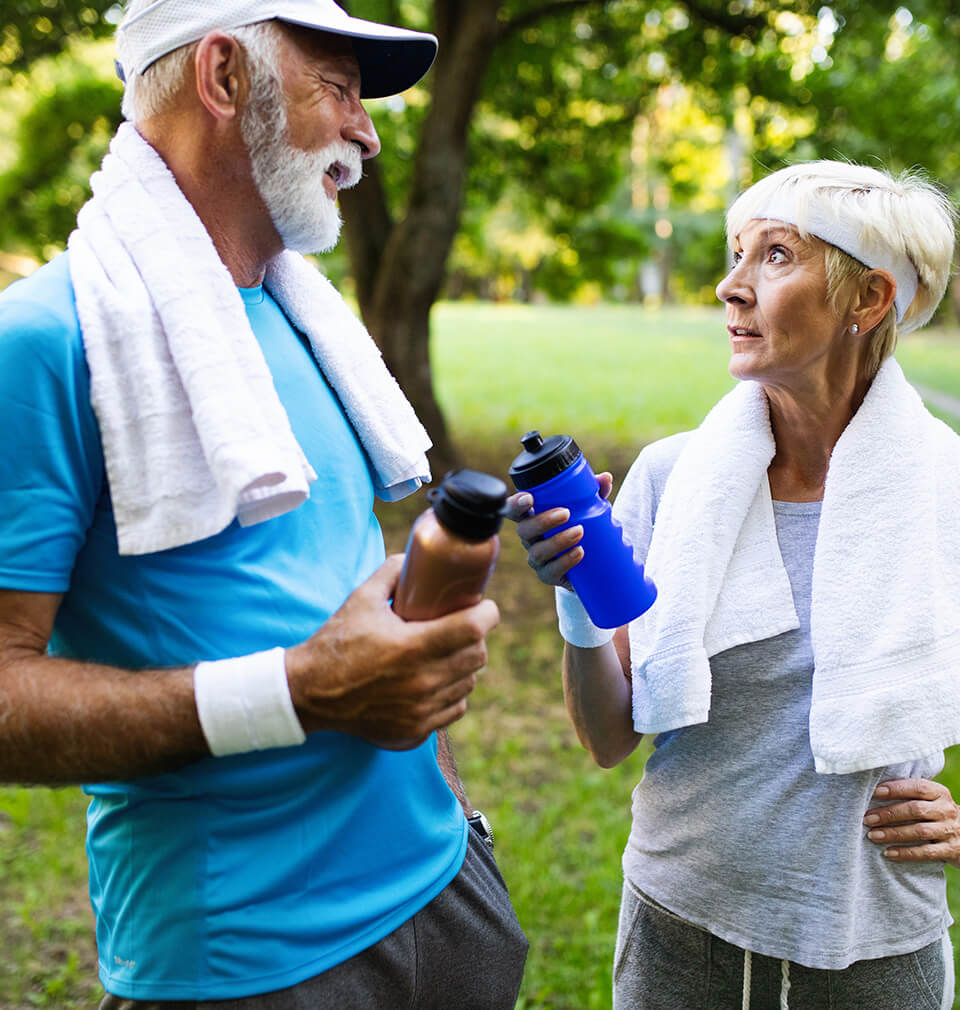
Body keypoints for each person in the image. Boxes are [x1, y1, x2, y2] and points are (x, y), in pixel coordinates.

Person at [0, 1, 527, 1006]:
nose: (368, 129)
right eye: (340, 88)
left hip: (444, 893)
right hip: (246, 960)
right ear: (224, 77)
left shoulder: (307, 316)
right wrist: (297, 690)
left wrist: (460, 821)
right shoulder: (43, 340)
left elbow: (352, 593)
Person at [509, 160, 960, 1010]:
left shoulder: (948, 486)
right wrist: (574, 596)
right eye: (736, 254)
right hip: (681, 929)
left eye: (776, 256)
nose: (729, 287)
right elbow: (608, 739)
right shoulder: (671, 477)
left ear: (868, 300)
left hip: (874, 951)